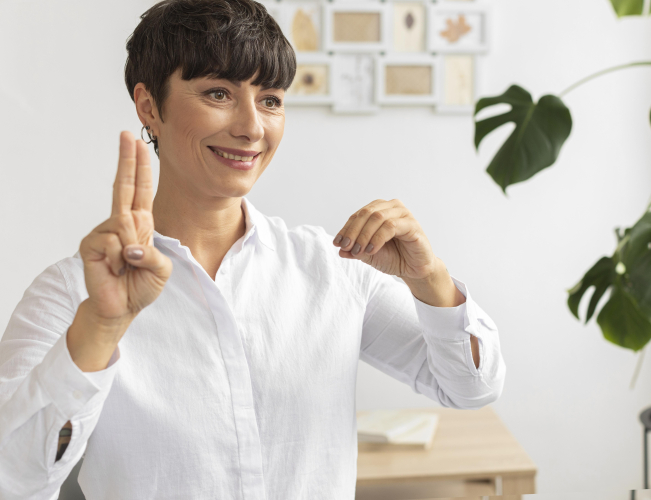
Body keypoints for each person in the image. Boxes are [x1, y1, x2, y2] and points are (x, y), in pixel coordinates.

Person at [0, 0, 506, 498]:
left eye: (270, 99)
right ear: (149, 106)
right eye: (218, 93)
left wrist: (428, 276)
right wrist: (101, 328)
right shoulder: (72, 293)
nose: (252, 127)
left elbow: (471, 386)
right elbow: (13, 478)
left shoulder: (332, 269)